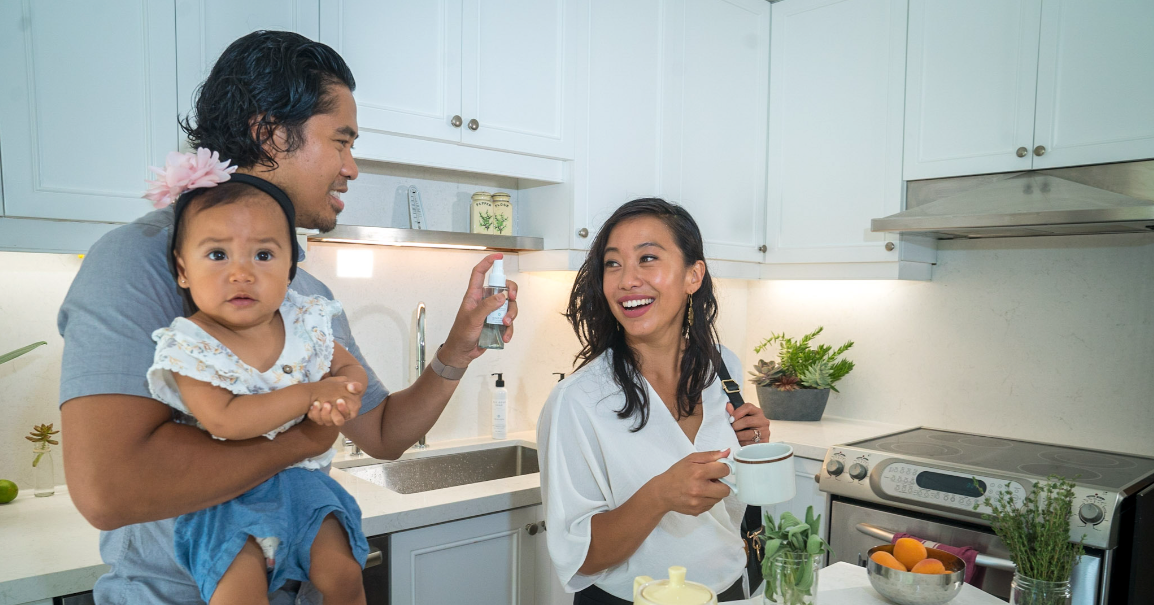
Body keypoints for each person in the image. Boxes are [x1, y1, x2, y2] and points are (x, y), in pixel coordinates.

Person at [58, 31, 516, 605]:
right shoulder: (137, 261)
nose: (352, 167)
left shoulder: (304, 290)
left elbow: (383, 433)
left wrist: (458, 346)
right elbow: (109, 488)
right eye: (342, 141)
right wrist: (301, 439)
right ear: (269, 134)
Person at [146, 173, 369, 604]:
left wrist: (343, 395)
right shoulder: (190, 344)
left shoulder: (305, 320)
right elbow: (224, 419)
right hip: (225, 495)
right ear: (182, 269)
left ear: (290, 269)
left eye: (263, 254)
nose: (241, 273)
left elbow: (347, 368)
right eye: (217, 254)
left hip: (302, 485)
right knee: (240, 595)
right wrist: (308, 396)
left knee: (344, 574)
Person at [537, 198, 771, 604]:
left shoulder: (723, 366)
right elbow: (581, 559)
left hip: (729, 589)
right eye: (613, 263)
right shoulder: (578, 400)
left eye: (647, 258)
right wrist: (659, 495)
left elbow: (731, 504)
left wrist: (752, 449)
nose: (627, 279)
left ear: (693, 275)